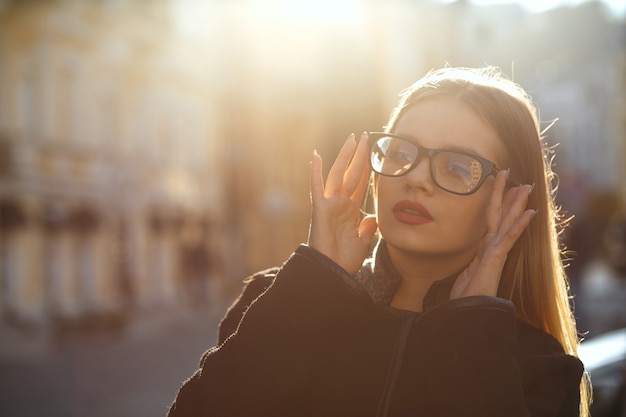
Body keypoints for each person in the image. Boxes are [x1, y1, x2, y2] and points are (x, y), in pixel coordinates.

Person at [167, 66, 589, 417]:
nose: (416, 177)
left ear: (512, 200)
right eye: (401, 153)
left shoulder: (539, 367)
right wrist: (316, 284)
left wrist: (472, 328)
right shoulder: (279, 301)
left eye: (459, 168)